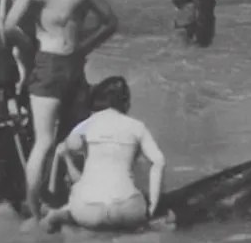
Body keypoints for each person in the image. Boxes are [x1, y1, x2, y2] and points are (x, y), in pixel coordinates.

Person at [0, 0, 118, 227]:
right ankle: (78, 197)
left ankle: (34, 211)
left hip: (46, 63)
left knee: (42, 140)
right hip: (73, 64)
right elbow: (111, 22)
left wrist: (30, 50)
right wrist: (84, 47)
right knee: (76, 136)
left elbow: (9, 27)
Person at [40, 76, 166, 233]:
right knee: (135, 214)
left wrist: (67, 157)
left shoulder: (86, 125)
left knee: (78, 197)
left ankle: (58, 217)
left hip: (88, 211)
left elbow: (65, 150)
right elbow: (159, 161)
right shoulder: (137, 126)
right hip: (126, 209)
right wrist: (152, 206)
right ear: (126, 103)